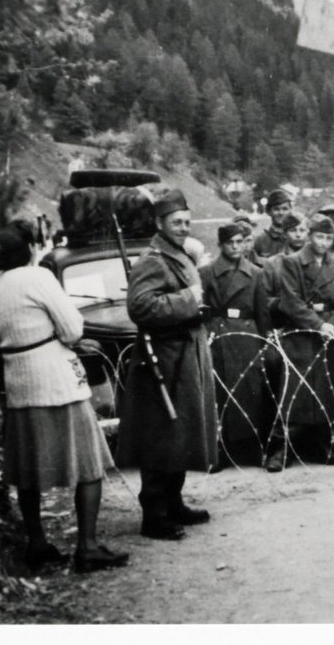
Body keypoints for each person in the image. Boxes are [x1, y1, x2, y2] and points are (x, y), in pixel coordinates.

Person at [0, 225, 129, 574]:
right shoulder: (39, 278)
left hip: (19, 384)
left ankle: (37, 543)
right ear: (31, 249)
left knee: (28, 470)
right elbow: (73, 329)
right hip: (56, 380)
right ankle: (87, 546)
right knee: (89, 464)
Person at [118, 189, 218, 541]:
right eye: (177, 222)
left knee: (181, 432)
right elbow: (140, 307)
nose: (183, 227)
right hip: (163, 358)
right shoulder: (153, 259)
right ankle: (154, 514)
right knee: (161, 434)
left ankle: (174, 503)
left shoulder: (178, 254)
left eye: (187, 222)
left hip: (185, 354)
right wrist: (187, 299)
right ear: (160, 223)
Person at [267, 213, 334, 471]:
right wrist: (318, 324)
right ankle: (281, 449)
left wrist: (332, 325)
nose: (324, 242)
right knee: (295, 394)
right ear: (309, 235)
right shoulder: (292, 262)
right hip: (302, 334)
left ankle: (326, 444)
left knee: (329, 392)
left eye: (329, 237)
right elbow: (290, 301)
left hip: (331, 334)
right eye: (319, 236)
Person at [201, 221, 270, 467]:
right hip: (218, 335)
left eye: (240, 242)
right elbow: (203, 308)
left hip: (246, 336)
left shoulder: (256, 273)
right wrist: (208, 334)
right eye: (230, 243)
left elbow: (262, 312)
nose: (235, 247)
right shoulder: (207, 273)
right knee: (220, 393)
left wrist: (264, 341)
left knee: (249, 392)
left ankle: (251, 448)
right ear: (220, 245)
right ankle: (219, 450)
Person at [253, 189, 294, 261]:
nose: (281, 213)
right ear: (268, 211)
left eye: (285, 209)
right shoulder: (260, 240)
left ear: (290, 210)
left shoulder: (298, 236)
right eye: (276, 209)